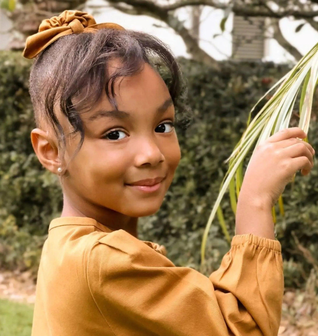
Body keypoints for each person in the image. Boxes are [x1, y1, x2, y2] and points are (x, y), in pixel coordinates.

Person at [23, 10, 315, 336]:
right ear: (51, 152)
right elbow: (243, 329)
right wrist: (256, 201)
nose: (152, 154)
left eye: (163, 126)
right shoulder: (101, 262)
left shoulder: (68, 245)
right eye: (114, 133)